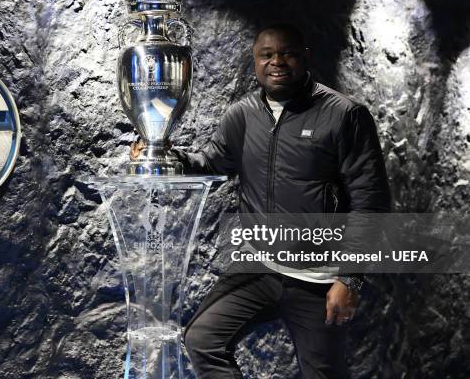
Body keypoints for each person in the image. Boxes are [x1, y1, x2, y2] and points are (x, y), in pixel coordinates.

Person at [130, 23, 390, 378]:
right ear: (255, 62)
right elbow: (210, 161)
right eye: (266, 55)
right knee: (203, 339)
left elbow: (370, 202)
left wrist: (350, 279)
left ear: (305, 58)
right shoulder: (243, 114)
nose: (277, 62)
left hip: (318, 278)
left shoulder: (344, 115)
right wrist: (162, 155)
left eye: (287, 54)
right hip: (258, 269)